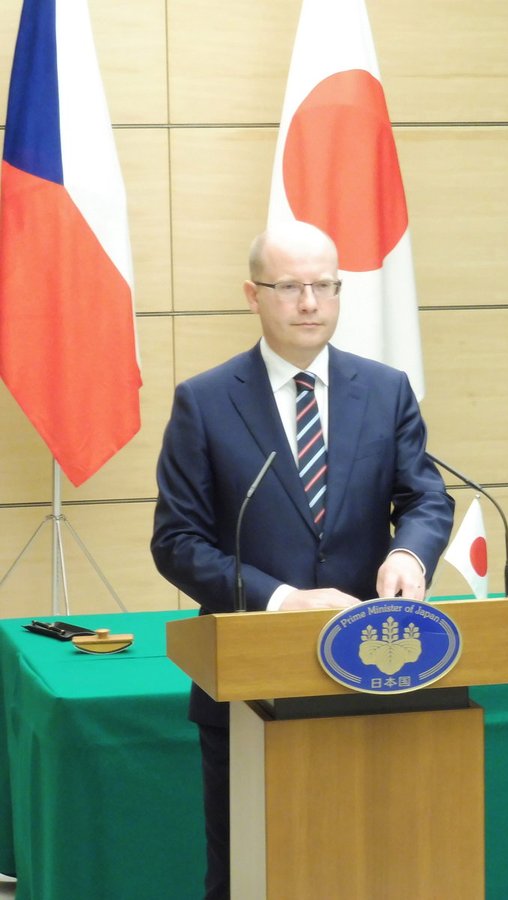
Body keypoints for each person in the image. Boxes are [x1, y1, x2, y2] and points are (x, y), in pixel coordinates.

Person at [150, 221, 454, 899]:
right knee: (252, 873)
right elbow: (177, 541)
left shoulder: (385, 390)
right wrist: (283, 599)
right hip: (248, 685)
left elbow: (427, 498)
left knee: (376, 864)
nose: (310, 302)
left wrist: (410, 553)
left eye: (323, 286)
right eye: (290, 287)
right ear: (253, 295)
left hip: (377, 671)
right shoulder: (205, 402)